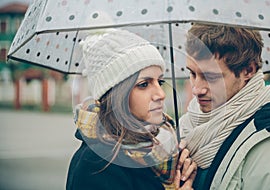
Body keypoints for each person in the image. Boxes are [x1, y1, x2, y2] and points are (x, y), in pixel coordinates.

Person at [66, 29, 196, 190]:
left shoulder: (162, 150)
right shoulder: (96, 165)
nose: (160, 94)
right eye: (143, 84)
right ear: (116, 96)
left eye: (160, 82)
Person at [177, 24, 270, 190]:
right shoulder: (184, 130)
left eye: (212, 77)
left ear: (248, 70)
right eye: (192, 74)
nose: (197, 89)